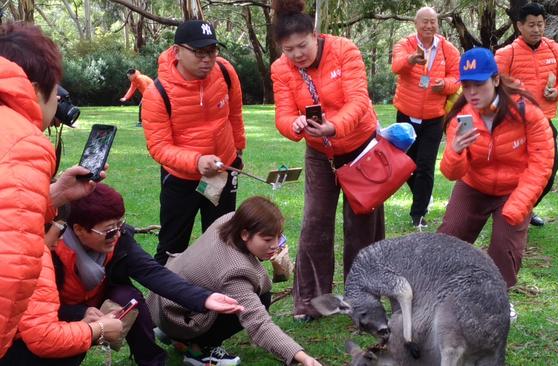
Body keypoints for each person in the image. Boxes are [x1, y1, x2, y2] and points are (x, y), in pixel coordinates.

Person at [32, 183, 242, 365]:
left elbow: (153, 273)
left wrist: (204, 298)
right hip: (56, 315)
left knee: (130, 298)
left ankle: (152, 361)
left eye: (120, 225)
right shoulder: (49, 251)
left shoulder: (119, 240)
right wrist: (78, 315)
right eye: (109, 230)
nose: (116, 234)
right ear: (78, 230)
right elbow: (34, 314)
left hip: (98, 303)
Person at [270, 0, 384, 320]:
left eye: (302, 46)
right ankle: (310, 301)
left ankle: (362, 297)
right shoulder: (282, 69)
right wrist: (293, 124)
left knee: (361, 225)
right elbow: (283, 112)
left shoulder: (343, 50)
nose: (297, 55)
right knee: (314, 223)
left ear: (315, 35)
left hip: (361, 148)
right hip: (321, 153)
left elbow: (359, 100)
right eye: (288, 49)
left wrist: (335, 125)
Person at [0, 22, 104, 358]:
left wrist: (54, 194)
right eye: (55, 88)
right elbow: (11, 267)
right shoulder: (21, 141)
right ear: (34, 89)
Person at [436, 47, 555, 320]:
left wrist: (517, 207)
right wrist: (455, 150)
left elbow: (541, 163)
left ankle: (498, 299)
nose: (472, 93)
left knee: (505, 246)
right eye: (466, 86)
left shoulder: (527, 112)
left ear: (496, 80)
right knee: (448, 236)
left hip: (514, 189)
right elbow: (451, 173)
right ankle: (441, 294)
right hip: (474, 185)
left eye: (479, 84)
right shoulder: (461, 118)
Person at [147, 196, 322, 366]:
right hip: (176, 317)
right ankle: (199, 349)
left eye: (278, 237)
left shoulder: (229, 220)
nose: (275, 245)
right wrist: (301, 357)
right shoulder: (235, 271)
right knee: (261, 298)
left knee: (257, 291)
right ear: (245, 234)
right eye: (268, 239)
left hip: (162, 300)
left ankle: (172, 333)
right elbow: (259, 324)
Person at [141, 19, 246, 264]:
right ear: (177, 51)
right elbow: (158, 146)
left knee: (223, 241)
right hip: (181, 179)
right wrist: (196, 162)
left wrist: (238, 150)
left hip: (223, 170)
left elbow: (234, 113)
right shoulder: (157, 93)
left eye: (211, 51)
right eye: (199, 52)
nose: (207, 59)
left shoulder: (225, 72)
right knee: (172, 246)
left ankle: (219, 295)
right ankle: (163, 299)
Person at [495, 2, 558, 227]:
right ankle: (510, 213)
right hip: (515, 124)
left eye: (540, 24)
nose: (536, 29)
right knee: (517, 173)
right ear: (519, 26)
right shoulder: (506, 53)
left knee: (549, 170)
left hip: (544, 122)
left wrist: (557, 91)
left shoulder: (555, 49)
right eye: (531, 25)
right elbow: (494, 85)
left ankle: (523, 208)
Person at [391, 6, 460, 228]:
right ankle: (423, 193)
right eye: (425, 22)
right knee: (405, 164)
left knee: (425, 165)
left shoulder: (448, 49)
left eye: (433, 22)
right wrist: (411, 60)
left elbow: (457, 78)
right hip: (406, 115)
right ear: (416, 23)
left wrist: (445, 85)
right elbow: (396, 66)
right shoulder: (405, 44)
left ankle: (418, 214)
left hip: (434, 117)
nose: (429, 26)